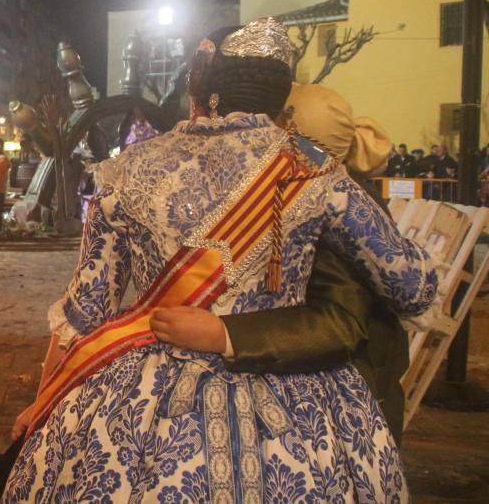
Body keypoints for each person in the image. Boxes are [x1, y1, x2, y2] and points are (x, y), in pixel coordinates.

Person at [3, 19, 437, 502]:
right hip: (295, 395)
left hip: (141, 396)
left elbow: (84, 315)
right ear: (282, 100)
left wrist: (44, 400)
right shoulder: (315, 171)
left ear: (201, 89)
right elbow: (412, 286)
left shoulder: (123, 171)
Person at [150, 82, 411, 442]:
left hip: (346, 408)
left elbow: (339, 323)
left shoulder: (335, 208)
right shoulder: (305, 192)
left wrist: (223, 333)